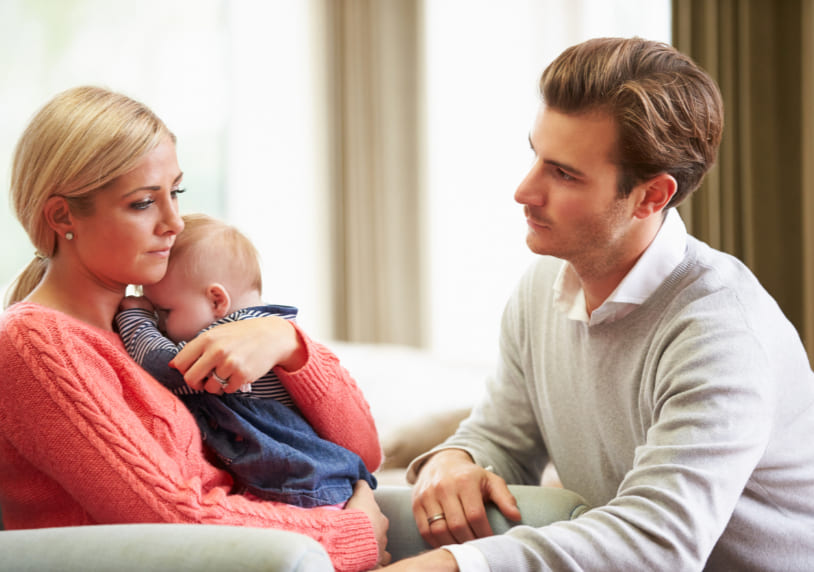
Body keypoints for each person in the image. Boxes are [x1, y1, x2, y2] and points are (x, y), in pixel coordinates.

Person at [385, 37, 814, 571]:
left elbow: (659, 543)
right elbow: (504, 436)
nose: (524, 191)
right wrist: (456, 458)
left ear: (651, 196)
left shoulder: (721, 332)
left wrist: (455, 565)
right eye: (536, 156)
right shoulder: (543, 287)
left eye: (564, 174)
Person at [0, 85, 389, 571]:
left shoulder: (151, 335)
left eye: (175, 193)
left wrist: (289, 344)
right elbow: (169, 518)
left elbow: (361, 452)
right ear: (62, 215)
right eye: (143, 203)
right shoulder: (35, 344)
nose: (175, 222)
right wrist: (352, 535)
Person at [115, 212, 377, 508]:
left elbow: (164, 366)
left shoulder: (232, 340)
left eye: (164, 312)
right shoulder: (270, 321)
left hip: (294, 488)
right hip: (313, 483)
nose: (160, 325)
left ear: (217, 300)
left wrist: (136, 318)